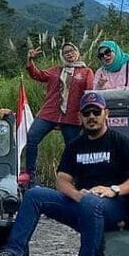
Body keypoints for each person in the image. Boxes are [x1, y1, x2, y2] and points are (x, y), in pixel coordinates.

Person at [0, 92, 129, 256]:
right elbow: (62, 180)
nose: (92, 116)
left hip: (113, 207)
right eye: (86, 112)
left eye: (96, 111)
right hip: (82, 203)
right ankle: (13, 251)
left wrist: (114, 190)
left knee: (91, 202)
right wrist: (75, 194)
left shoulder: (119, 142)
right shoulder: (75, 146)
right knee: (34, 195)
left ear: (105, 114)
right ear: (80, 117)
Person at [19, 42, 94, 187]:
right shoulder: (56, 70)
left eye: (72, 51)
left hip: (72, 116)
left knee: (72, 148)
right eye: (66, 52)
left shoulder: (86, 72)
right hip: (50, 113)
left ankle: (74, 179)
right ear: (62, 55)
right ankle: (29, 174)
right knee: (32, 137)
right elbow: (37, 74)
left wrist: (86, 116)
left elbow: (89, 93)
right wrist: (30, 59)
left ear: (77, 52)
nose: (69, 54)